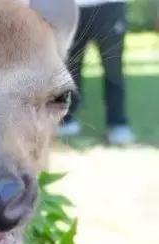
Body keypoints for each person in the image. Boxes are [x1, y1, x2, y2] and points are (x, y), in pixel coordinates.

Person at [59, 0, 135, 145]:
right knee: (70, 67)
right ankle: (66, 119)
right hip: (73, 7)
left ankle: (117, 123)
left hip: (111, 6)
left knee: (113, 68)